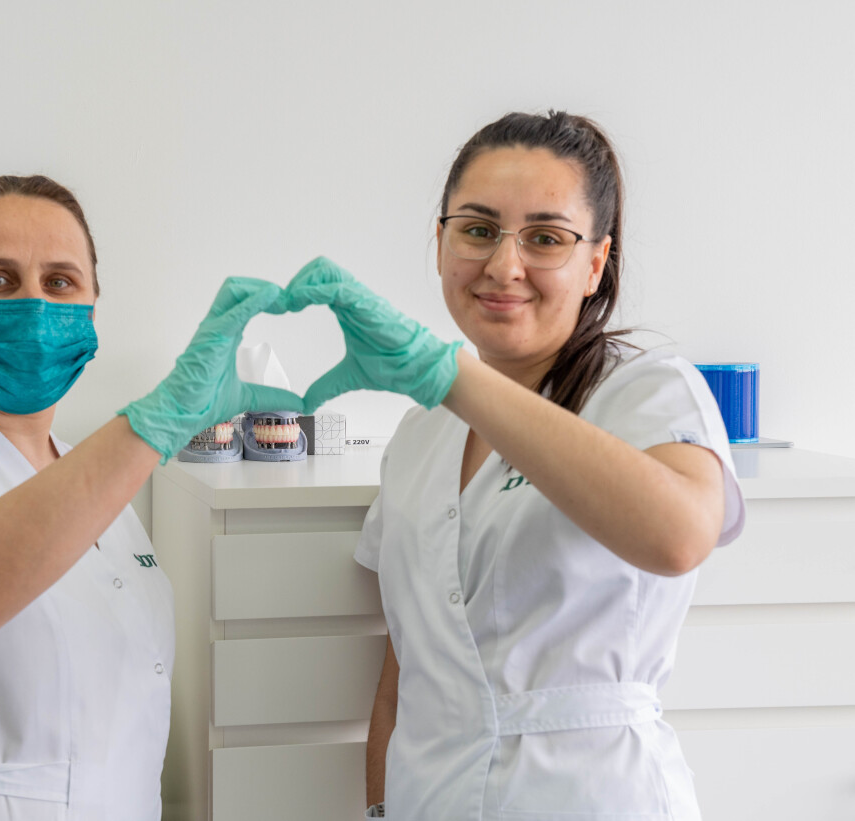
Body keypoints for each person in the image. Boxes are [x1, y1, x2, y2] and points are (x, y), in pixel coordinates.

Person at [285, 112, 744, 820]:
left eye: (545, 238)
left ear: (596, 263)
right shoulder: (419, 435)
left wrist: (452, 375)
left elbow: (679, 535)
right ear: (441, 243)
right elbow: (405, 675)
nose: (504, 266)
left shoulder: (644, 392)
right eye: (478, 230)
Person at [0, 175, 302, 820]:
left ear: (91, 310)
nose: (34, 307)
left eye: (60, 282)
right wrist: (157, 421)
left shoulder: (93, 481)